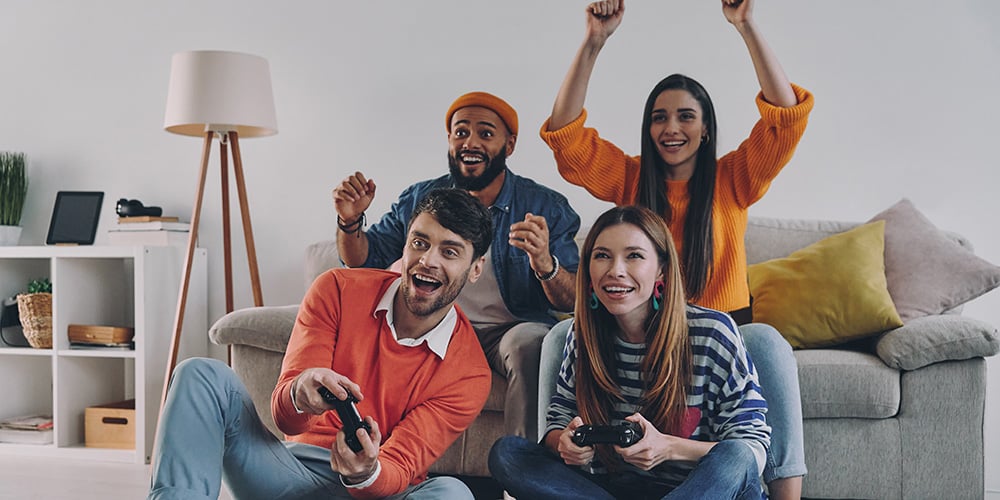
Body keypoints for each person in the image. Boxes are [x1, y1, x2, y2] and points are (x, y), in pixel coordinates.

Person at [538, 1, 814, 497]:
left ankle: (785, 494)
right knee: (561, 334)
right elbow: (566, 138)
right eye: (659, 118)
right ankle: (561, 464)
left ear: (705, 128)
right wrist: (593, 40)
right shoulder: (630, 179)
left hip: (719, 327)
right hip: (645, 323)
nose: (671, 128)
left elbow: (787, 120)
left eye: (686, 117)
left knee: (769, 342)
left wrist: (746, 25)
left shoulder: (735, 177)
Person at [149, 188, 494, 500]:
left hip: (378, 490)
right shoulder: (337, 289)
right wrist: (300, 392)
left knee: (452, 493)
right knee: (200, 374)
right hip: (291, 474)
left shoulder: (469, 373)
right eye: (420, 243)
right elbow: (286, 419)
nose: (428, 260)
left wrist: (365, 471)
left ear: (475, 269)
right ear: (405, 245)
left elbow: (401, 465)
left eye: (449, 252)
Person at [333, 91, 581, 443]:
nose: (471, 142)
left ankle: (522, 477)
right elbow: (363, 262)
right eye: (461, 132)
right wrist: (349, 221)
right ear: (449, 139)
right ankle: (368, 459)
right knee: (370, 333)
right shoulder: (421, 199)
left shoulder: (545, 206)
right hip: (435, 322)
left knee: (531, 343)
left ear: (509, 145)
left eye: (486, 133)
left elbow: (572, 301)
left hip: (507, 330)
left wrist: (545, 264)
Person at [490, 205, 770, 499]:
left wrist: (668, 447)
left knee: (735, 457)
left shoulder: (713, 332)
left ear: (661, 268)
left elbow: (752, 449)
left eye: (634, 255)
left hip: (698, 490)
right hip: (612, 489)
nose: (615, 271)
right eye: (602, 256)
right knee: (508, 453)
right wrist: (565, 441)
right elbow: (559, 417)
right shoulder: (582, 333)